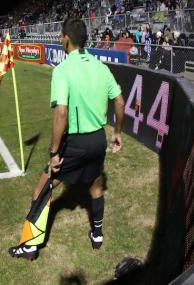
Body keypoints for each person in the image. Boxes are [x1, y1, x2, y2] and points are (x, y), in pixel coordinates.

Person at [8, 18, 125, 260]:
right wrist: (117, 133)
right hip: (98, 140)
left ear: (66, 39)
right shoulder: (100, 66)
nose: (60, 39)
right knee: (95, 184)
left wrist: (53, 152)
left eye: (61, 36)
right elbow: (120, 101)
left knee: (42, 189)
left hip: (76, 142)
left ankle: (29, 246)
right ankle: (98, 234)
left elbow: (61, 111)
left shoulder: (62, 70)